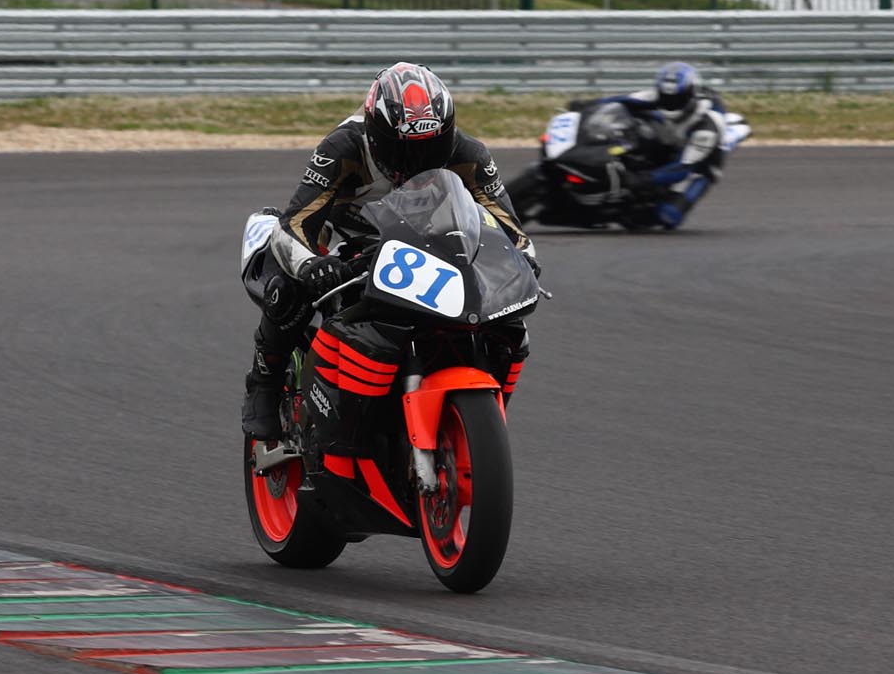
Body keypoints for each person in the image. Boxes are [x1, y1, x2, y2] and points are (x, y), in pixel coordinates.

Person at [242, 62, 538, 455]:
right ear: (375, 131)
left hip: (425, 238)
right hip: (346, 234)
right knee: (288, 285)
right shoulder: (343, 147)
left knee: (503, 317)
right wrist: (312, 264)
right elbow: (294, 223)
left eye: (430, 147)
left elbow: (509, 228)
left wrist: (523, 260)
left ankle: (466, 411)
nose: (416, 159)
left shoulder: (469, 154)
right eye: (402, 148)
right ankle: (264, 381)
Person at [569, 61, 730, 229]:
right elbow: (623, 100)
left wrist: (642, 179)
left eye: (677, 99)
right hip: (671, 137)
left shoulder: (706, 128)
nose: (670, 103)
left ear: (690, 96)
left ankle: (617, 213)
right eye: (666, 98)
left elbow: (682, 168)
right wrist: (588, 104)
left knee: (667, 215)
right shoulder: (657, 96)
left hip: (698, 165)